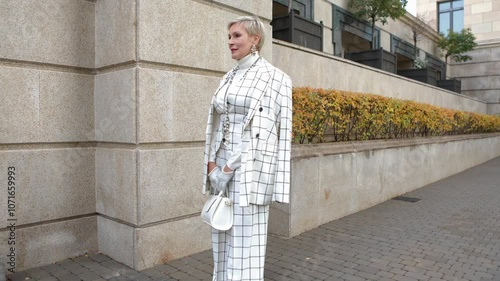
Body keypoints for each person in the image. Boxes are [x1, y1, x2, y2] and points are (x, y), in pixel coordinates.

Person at [201, 16, 292, 281]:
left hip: (249, 171)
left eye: (237, 36)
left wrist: (231, 167)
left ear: (255, 39)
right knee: (220, 234)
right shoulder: (228, 76)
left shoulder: (277, 79)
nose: (230, 42)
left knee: (245, 244)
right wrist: (212, 164)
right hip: (219, 167)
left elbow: (280, 135)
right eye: (229, 37)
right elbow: (216, 124)